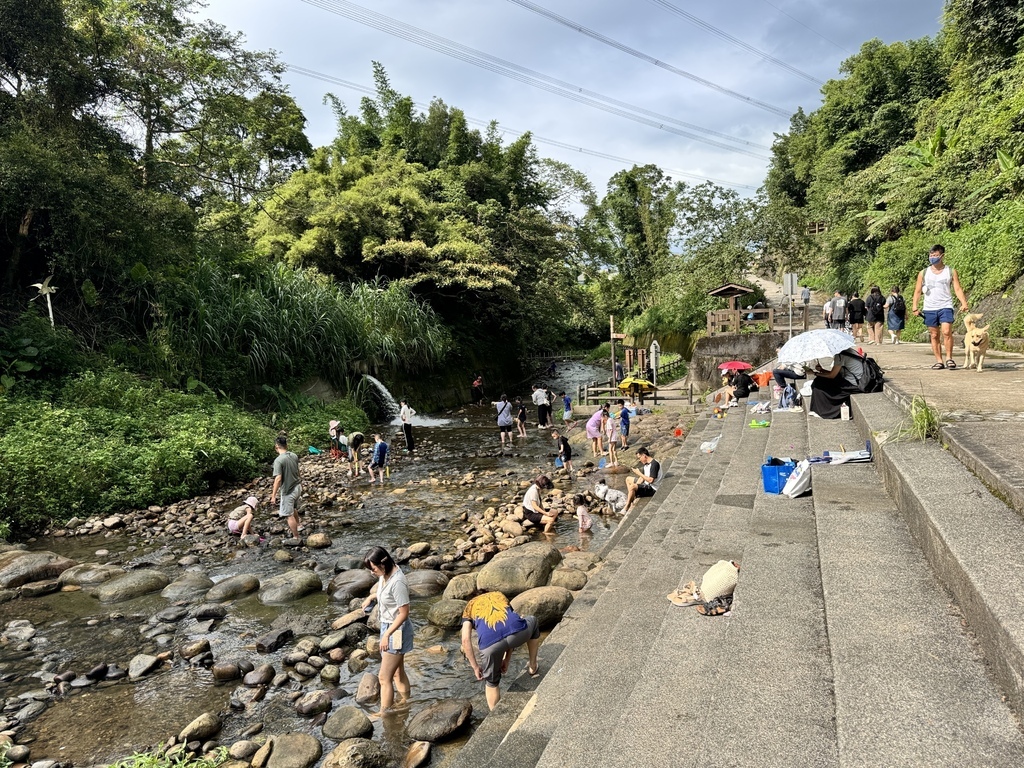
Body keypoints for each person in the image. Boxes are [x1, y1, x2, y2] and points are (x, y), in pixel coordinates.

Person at [460, 591, 541, 710]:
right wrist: (507, 659)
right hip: (518, 634)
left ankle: (494, 714)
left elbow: (466, 640)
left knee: (491, 682)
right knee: (533, 621)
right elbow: (507, 627)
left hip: (490, 646)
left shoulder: (469, 607)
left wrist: (475, 667)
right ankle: (533, 666)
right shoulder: (499, 595)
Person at [362, 547, 411, 716]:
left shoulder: (398, 582)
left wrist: (387, 635)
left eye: (373, 569)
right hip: (389, 627)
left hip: (396, 630)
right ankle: (405, 702)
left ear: (383, 564)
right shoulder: (386, 573)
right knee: (397, 672)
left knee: (384, 677)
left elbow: (404, 613)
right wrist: (371, 597)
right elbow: (384, 590)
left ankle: (384, 712)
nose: (372, 573)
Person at [912, 244, 969, 369]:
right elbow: (917, 291)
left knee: (947, 332)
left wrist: (964, 302)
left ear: (942, 256)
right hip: (929, 307)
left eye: (935, 255)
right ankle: (939, 360)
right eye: (931, 255)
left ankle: (949, 358)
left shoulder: (950, 271)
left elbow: (957, 288)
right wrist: (915, 306)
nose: (932, 257)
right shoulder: (923, 273)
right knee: (934, 335)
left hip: (946, 305)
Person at [808, 354, 865, 419]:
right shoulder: (847, 353)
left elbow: (832, 376)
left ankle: (824, 412)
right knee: (819, 380)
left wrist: (814, 373)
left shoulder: (840, 357)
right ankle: (817, 409)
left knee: (819, 383)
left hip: (853, 385)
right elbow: (834, 373)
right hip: (854, 381)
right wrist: (821, 370)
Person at [271, 435, 302, 539]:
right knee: (294, 508)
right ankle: (299, 525)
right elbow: (298, 471)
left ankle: (296, 536)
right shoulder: (294, 455)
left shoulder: (278, 460)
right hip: (297, 486)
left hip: (288, 491)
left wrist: (273, 496)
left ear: (276, 447)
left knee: (289, 515)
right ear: (286, 445)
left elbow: (278, 479)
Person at [624, 448, 661, 513]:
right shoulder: (646, 464)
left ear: (644, 455)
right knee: (628, 479)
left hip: (652, 488)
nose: (639, 460)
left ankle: (627, 507)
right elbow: (642, 477)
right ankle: (632, 498)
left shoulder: (654, 464)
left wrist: (639, 473)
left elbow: (651, 480)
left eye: (639, 458)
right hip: (646, 483)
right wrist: (637, 485)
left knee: (632, 486)